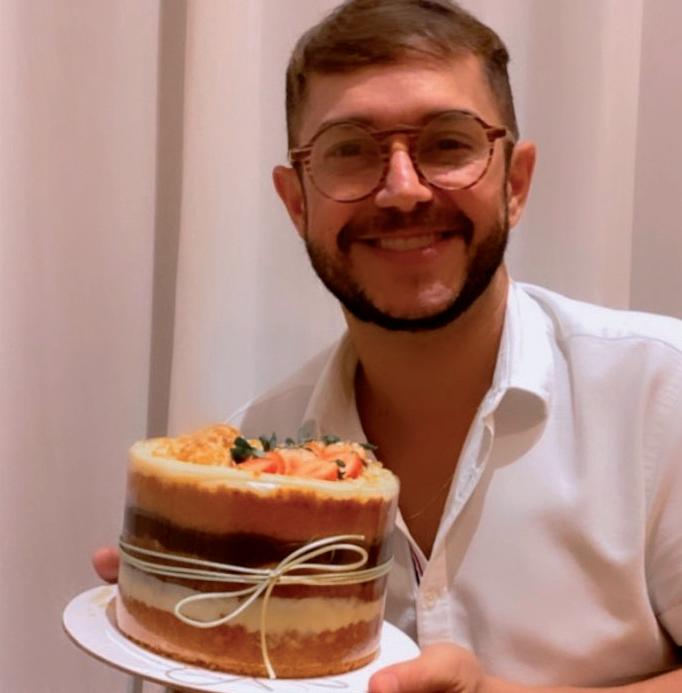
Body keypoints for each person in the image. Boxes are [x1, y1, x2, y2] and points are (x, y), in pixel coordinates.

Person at [95, 1, 682, 690]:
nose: (403, 191)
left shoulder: (661, 396)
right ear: (297, 203)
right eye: (349, 151)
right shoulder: (255, 457)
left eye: (448, 144)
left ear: (515, 183)